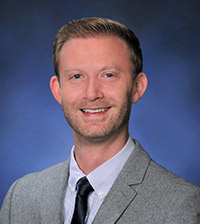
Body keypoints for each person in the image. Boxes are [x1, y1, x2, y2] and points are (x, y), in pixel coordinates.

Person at [0, 17, 200, 224]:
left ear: (137, 87)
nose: (92, 93)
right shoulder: (20, 197)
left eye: (108, 75)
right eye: (77, 76)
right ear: (57, 90)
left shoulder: (181, 206)